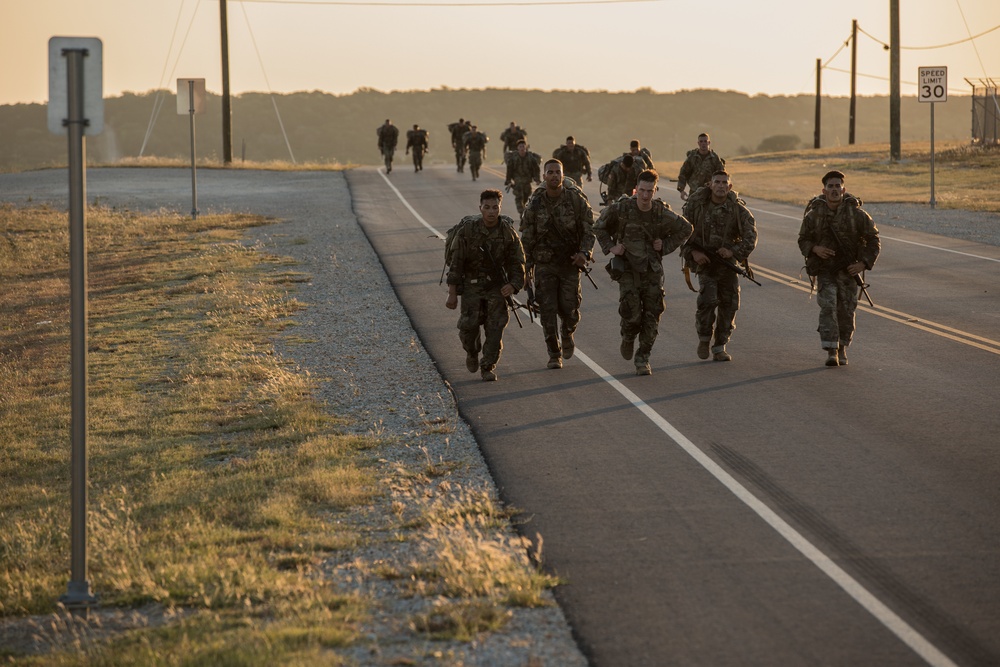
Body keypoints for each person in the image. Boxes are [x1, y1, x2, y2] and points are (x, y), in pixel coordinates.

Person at [594, 169, 693, 375]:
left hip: (652, 271)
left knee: (652, 315)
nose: (645, 195)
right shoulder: (621, 208)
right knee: (631, 315)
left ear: (655, 190)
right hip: (628, 269)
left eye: (650, 191)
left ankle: (643, 358)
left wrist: (664, 245)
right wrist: (611, 248)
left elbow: (685, 229)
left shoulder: (660, 212)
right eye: (642, 190)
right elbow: (599, 227)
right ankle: (628, 336)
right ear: (635, 189)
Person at [797, 170, 880, 367]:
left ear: (844, 189)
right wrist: (815, 249)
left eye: (837, 186)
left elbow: (873, 240)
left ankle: (843, 347)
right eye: (830, 186)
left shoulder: (857, 215)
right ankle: (831, 351)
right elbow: (803, 239)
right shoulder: (814, 215)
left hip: (849, 272)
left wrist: (863, 263)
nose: (834, 190)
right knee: (828, 307)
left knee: (846, 310)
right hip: (826, 270)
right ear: (823, 190)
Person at [519, 159, 596, 369]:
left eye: (557, 172)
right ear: (544, 177)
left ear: (562, 175)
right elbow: (527, 237)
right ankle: (554, 353)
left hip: (570, 263)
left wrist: (584, 253)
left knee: (570, 309)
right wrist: (526, 269)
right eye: (550, 172)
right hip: (545, 265)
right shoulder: (535, 203)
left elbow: (590, 228)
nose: (554, 175)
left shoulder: (575, 200)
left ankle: (568, 332)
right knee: (547, 310)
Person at [445, 189, 526, 381]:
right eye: (487, 207)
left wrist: (513, 285)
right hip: (472, 286)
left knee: (495, 328)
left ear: (500, 208)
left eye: (495, 207)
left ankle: (488, 366)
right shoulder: (468, 230)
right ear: (480, 208)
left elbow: (517, 261)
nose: (491, 211)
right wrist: (452, 292)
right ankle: (472, 352)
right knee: (468, 328)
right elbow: (456, 262)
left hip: (497, 288)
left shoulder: (507, 231)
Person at [681, 170, 757, 362]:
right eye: (717, 182)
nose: (721, 186)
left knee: (730, 305)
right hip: (705, 264)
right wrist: (694, 253)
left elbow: (751, 236)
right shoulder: (697, 207)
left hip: (728, 265)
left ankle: (720, 345)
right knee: (707, 301)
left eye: (725, 183)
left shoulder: (738, 211)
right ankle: (705, 338)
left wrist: (733, 252)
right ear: (710, 185)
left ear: (730, 187)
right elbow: (680, 232)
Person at [677, 133, 725, 201]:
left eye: (705, 141)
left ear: (709, 142)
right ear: (698, 143)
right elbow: (683, 173)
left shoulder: (715, 158)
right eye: (701, 141)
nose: (703, 143)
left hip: (710, 193)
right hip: (694, 192)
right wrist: (681, 190)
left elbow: (722, 175)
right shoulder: (692, 157)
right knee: (690, 210)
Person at [504, 139, 541, 216]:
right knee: (518, 197)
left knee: (526, 197)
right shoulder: (514, 158)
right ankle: (522, 212)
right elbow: (509, 169)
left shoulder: (530, 157)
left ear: (526, 147)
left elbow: (536, 168)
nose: (522, 148)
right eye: (520, 146)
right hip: (518, 181)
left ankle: (523, 210)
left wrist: (537, 179)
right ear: (517, 148)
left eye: (523, 146)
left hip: (527, 181)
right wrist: (508, 180)